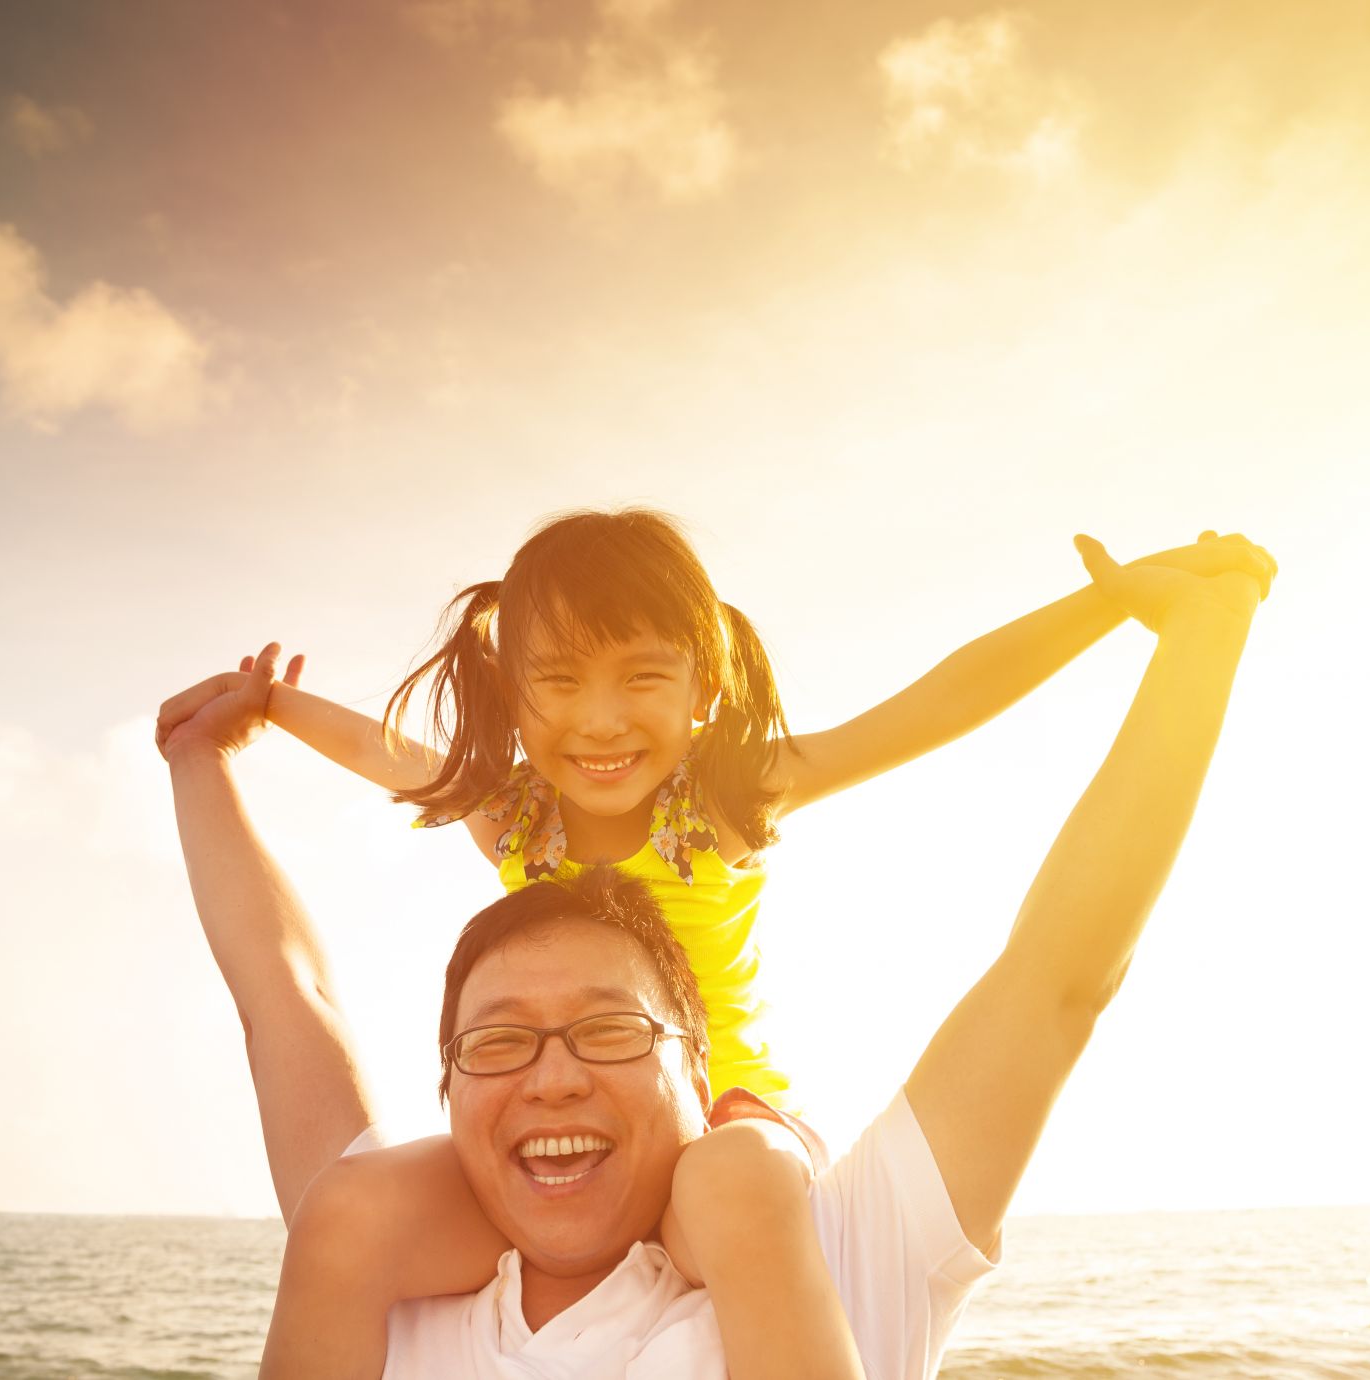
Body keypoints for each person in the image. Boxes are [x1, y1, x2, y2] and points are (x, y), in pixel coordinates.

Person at [153, 509, 1272, 1378]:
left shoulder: (729, 800)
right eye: (559, 681)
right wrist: (265, 712)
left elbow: (931, 707)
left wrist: (1113, 605)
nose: (600, 720)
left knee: (734, 1180)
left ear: (705, 682)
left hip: (724, 1120)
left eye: (641, 676)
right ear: (511, 694)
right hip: (579, 1148)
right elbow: (392, 765)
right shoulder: (515, 813)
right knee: (349, 1211)